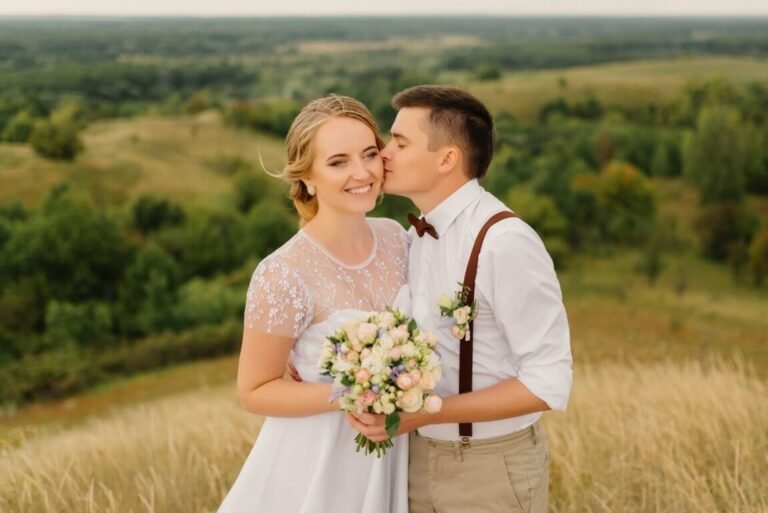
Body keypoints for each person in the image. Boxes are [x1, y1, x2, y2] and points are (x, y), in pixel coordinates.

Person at [347, 85, 573, 513]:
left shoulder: (504, 242)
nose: (384, 153)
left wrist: (429, 414)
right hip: (414, 461)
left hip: (490, 468)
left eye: (400, 142)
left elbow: (548, 381)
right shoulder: (415, 235)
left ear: (447, 159)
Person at [217, 95, 410, 513]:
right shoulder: (282, 273)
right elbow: (254, 390)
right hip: (317, 465)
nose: (362, 173)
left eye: (370, 154)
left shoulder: (397, 238)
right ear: (307, 178)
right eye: (338, 162)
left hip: (397, 451)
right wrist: (354, 390)